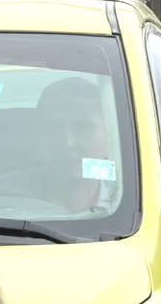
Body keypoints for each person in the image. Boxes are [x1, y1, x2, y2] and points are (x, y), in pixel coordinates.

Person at [36, 77, 115, 213]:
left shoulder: (135, 206)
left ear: (110, 136)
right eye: (53, 128)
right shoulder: (1, 208)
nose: (67, 143)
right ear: (37, 139)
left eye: (83, 127)